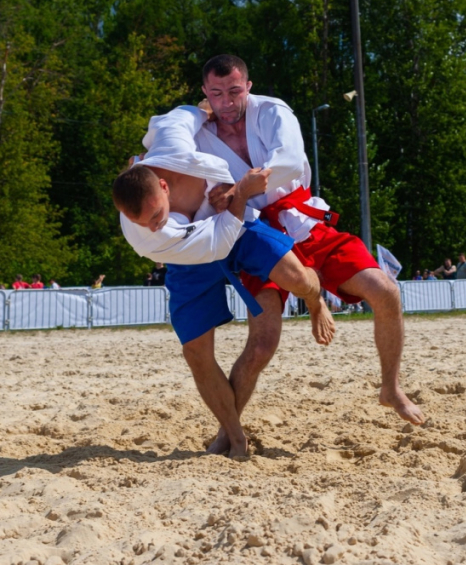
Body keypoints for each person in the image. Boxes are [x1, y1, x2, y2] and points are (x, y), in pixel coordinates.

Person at [138, 53, 423, 455]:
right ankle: (229, 429)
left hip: (303, 221)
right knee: (262, 345)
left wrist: (236, 188)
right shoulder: (195, 129)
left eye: (235, 90)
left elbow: (288, 161)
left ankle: (391, 388)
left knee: (386, 291)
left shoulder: (271, 111)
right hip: (254, 233)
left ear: (248, 86)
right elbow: (158, 146)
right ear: (205, 93)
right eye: (217, 93)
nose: (227, 101)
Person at [114, 160, 337, 457]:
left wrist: (234, 189)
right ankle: (234, 436)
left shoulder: (168, 145)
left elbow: (200, 112)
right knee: (195, 352)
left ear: (163, 185)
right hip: (189, 253)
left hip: (238, 227)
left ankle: (315, 300)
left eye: (157, 215)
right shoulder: (143, 232)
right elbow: (209, 242)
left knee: (296, 277)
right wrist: (241, 192)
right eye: (146, 221)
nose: (154, 225)